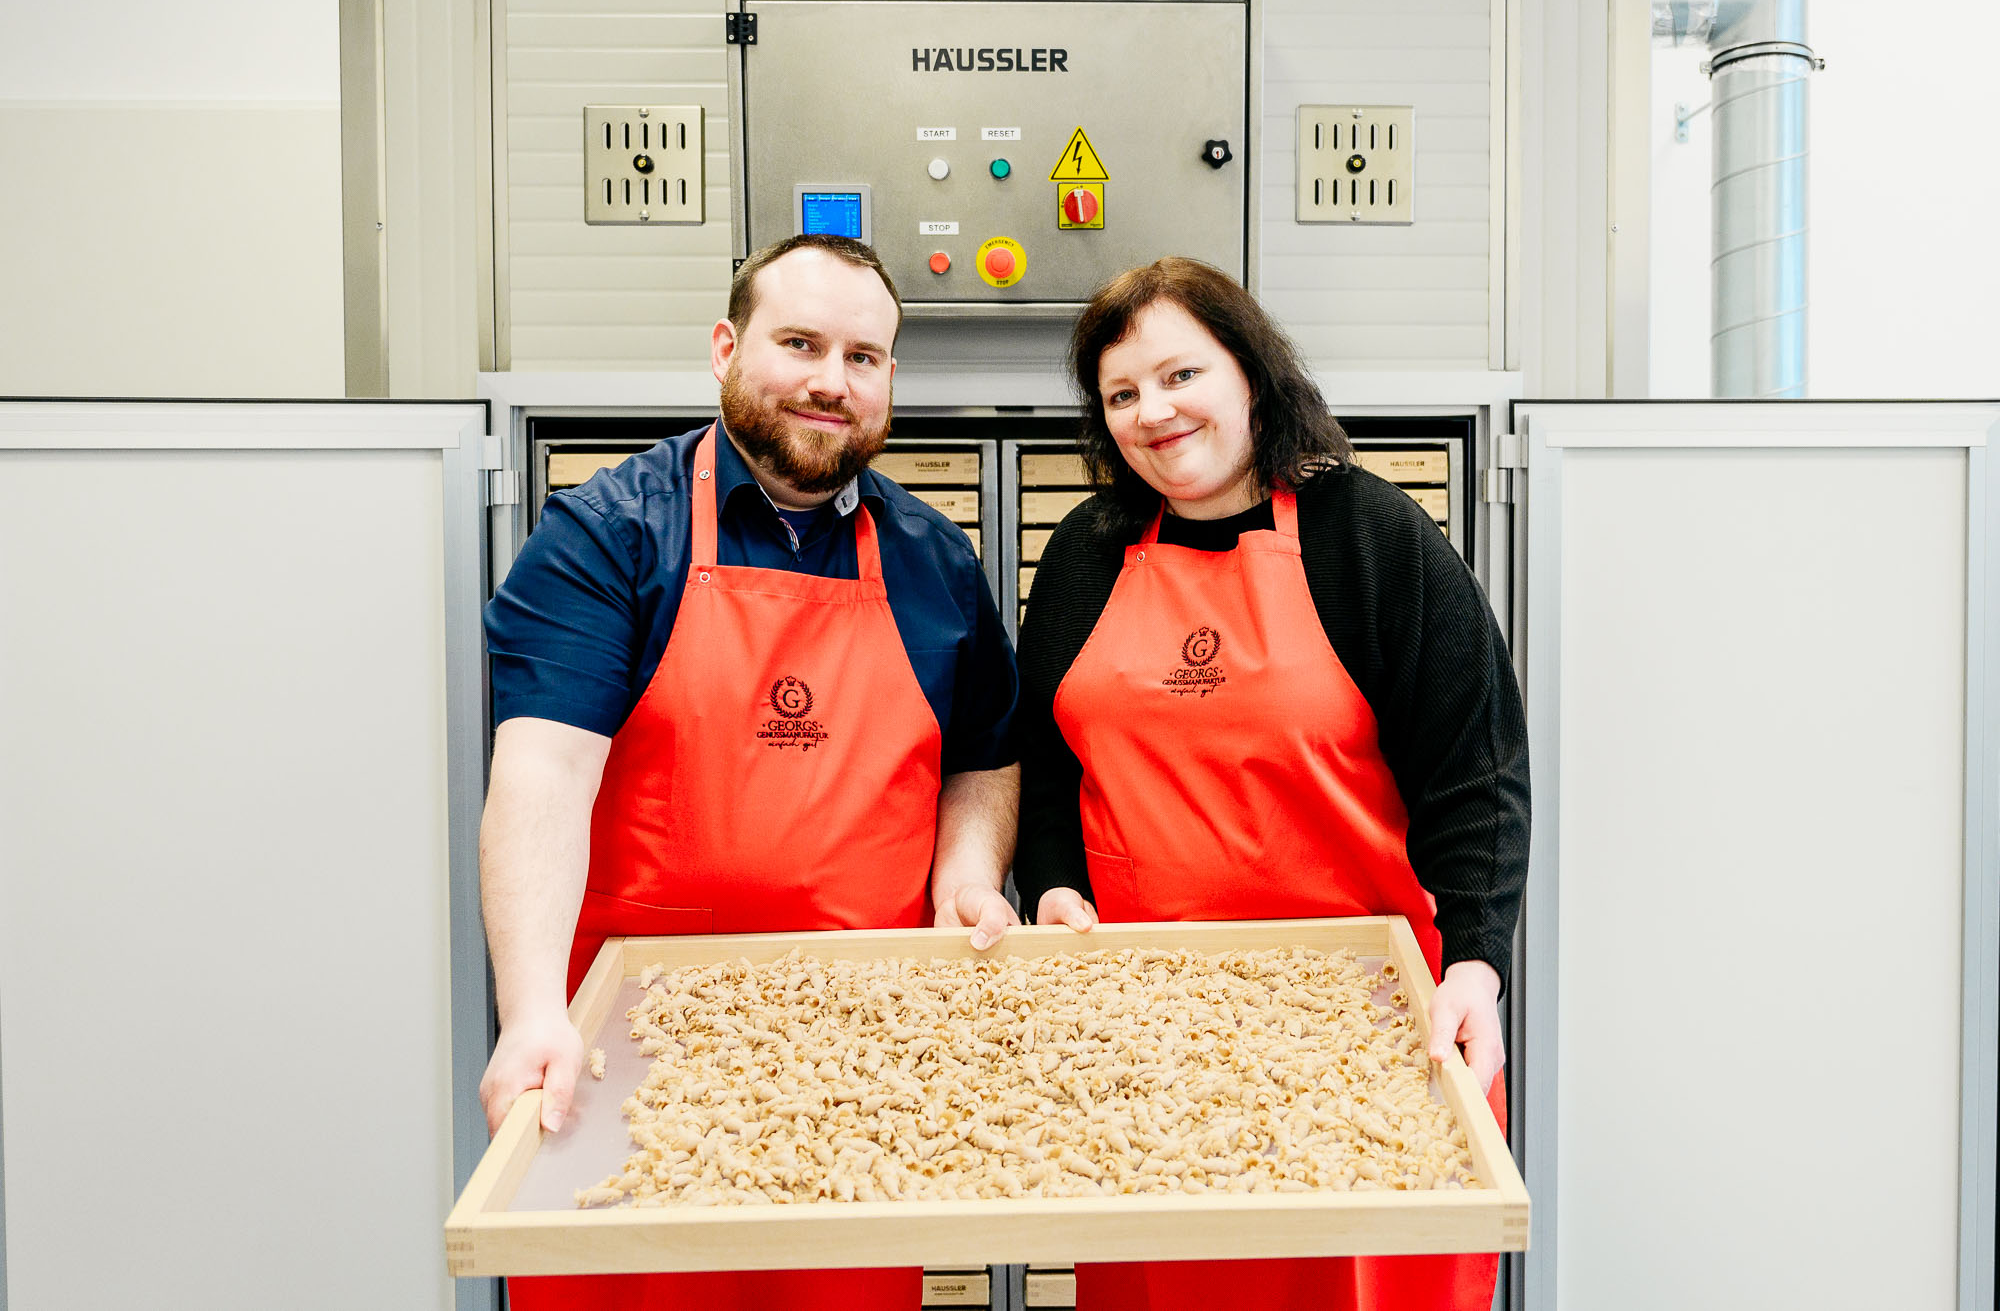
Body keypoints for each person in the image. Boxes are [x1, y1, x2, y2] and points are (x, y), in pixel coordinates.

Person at [478, 233, 1024, 1311]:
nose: (830, 379)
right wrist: (532, 1006)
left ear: (888, 382)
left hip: (859, 1055)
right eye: (799, 343)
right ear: (726, 347)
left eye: (862, 357)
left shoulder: (931, 556)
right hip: (634, 1053)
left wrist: (964, 877)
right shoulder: (607, 536)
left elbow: (984, 757)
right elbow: (541, 773)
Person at [1014, 256, 1529, 1311]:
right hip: (1149, 1033)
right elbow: (1045, 759)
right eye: (1121, 393)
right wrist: (1053, 882)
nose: (1152, 412)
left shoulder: (1368, 535)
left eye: (1179, 374)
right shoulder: (1085, 552)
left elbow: (1473, 768)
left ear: (1249, 372)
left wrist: (1476, 958)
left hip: (1364, 1024)